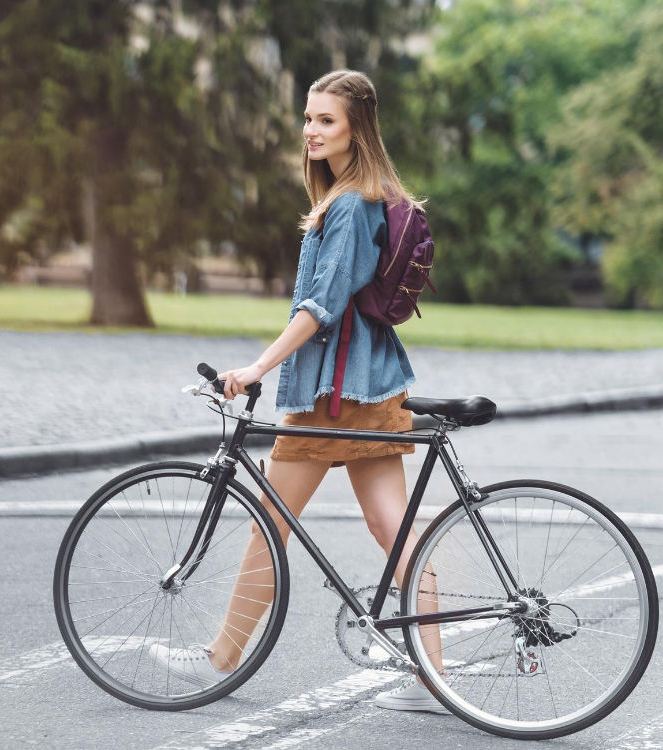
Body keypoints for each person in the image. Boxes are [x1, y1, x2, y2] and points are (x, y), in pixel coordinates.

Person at [149, 69, 447, 714]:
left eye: (326, 121)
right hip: (368, 386)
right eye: (308, 118)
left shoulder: (347, 206)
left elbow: (322, 306)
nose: (311, 131)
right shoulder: (361, 196)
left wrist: (256, 369)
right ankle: (434, 677)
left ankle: (222, 657)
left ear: (356, 128)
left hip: (332, 393)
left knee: (271, 523)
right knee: (390, 527)